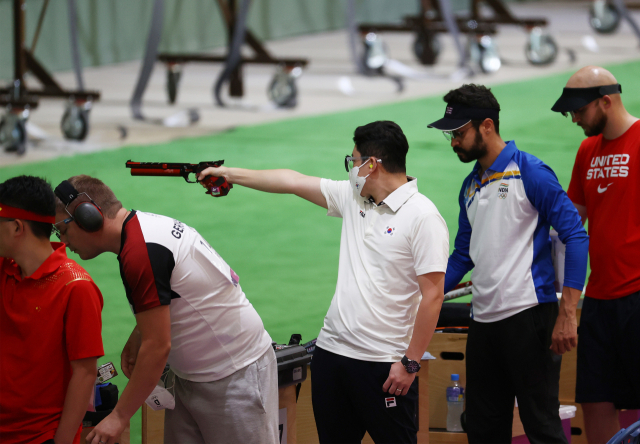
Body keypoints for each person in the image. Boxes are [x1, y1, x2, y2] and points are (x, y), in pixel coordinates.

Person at [198, 120, 450, 443]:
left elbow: (433, 295)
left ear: (372, 165)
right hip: (331, 356)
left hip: (384, 367)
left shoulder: (424, 217)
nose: (351, 168)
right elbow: (292, 181)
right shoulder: (353, 198)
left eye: (353, 160)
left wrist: (410, 363)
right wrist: (229, 174)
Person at [53, 175, 278, 444]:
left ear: (89, 216)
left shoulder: (141, 252)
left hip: (233, 375)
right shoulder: (143, 228)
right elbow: (176, 290)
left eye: (62, 229)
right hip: (193, 377)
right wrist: (141, 333)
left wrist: (119, 416)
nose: (64, 242)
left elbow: (158, 346)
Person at [427, 84, 589, 444]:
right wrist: (428, 294)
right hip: (483, 324)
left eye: (458, 133)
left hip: (529, 318)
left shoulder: (531, 172)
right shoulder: (470, 186)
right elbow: (462, 256)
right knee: (483, 430)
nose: (453, 142)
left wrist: (568, 312)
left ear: (486, 126)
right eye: (450, 135)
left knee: (542, 427)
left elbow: (575, 236)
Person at [551, 66, 640, 443]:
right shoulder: (588, 149)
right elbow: (572, 224)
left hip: (637, 294)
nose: (573, 119)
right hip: (599, 298)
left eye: (579, 110)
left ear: (607, 100)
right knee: (595, 401)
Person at [0, 175, 104, 444]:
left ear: (16, 228)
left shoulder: (76, 287)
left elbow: (84, 373)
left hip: (39, 436)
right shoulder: (6, 268)